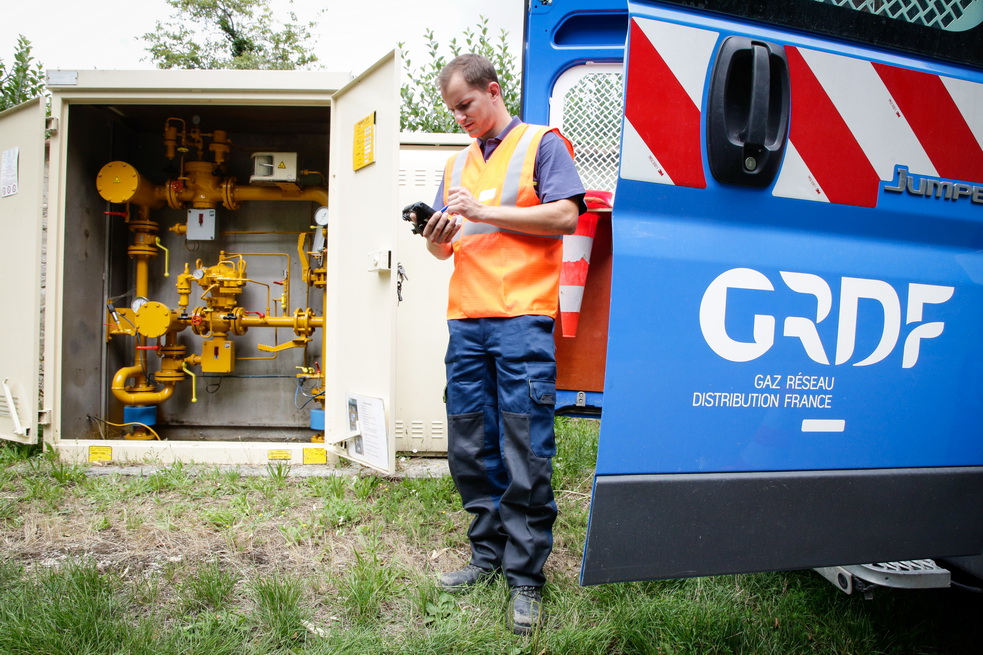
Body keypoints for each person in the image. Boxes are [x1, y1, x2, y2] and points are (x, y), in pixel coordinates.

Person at [415, 53, 586, 635]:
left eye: (465, 105)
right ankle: (486, 558)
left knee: (524, 446)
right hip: (466, 320)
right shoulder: (454, 163)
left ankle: (526, 578)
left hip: (521, 319)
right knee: (469, 444)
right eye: (452, 110)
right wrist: (435, 238)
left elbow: (565, 217)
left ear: (492, 90)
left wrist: (484, 209)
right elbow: (445, 248)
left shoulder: (543, 143)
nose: (460, 117)